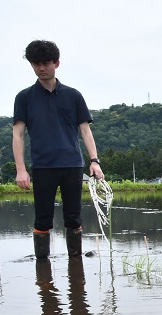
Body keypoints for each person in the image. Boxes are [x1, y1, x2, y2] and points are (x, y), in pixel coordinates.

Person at [12, 40, 104, 259]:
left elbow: (85, 130)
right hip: (43, 166)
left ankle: (76, 270)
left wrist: (94, 160)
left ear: (57, 63)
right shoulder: (24, 97)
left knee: (73, 218)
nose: (41, 68)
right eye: (36, 64)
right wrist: (20, 169)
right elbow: (18, 134)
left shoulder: (73, 96)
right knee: (43, 219)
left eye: (46, 63)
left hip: (72, 165)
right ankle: (42, 271)